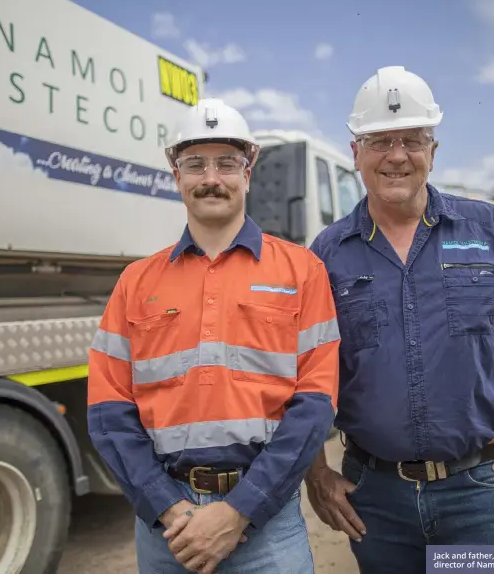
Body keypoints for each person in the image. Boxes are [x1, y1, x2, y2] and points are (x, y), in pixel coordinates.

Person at [304, 65, 494, 573]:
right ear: (355, 153)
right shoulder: (327, 254)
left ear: (432, 151)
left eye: (412, 139)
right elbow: (303, 366)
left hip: (482, 491)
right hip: (374, 498)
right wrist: (316, 475)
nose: (397, 154)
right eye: (379, 140)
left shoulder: (490, 229)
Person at [87, 98, 340, 574]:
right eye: (195, 164)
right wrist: (168, 507)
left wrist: (239, 510)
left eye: (227, 163)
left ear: (249, 170)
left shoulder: (302, 271)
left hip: (266, 523)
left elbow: (315, 404)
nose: (211, 178)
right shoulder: (135, 282)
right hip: (168, 529)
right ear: (175, 173)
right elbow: (107, 410)